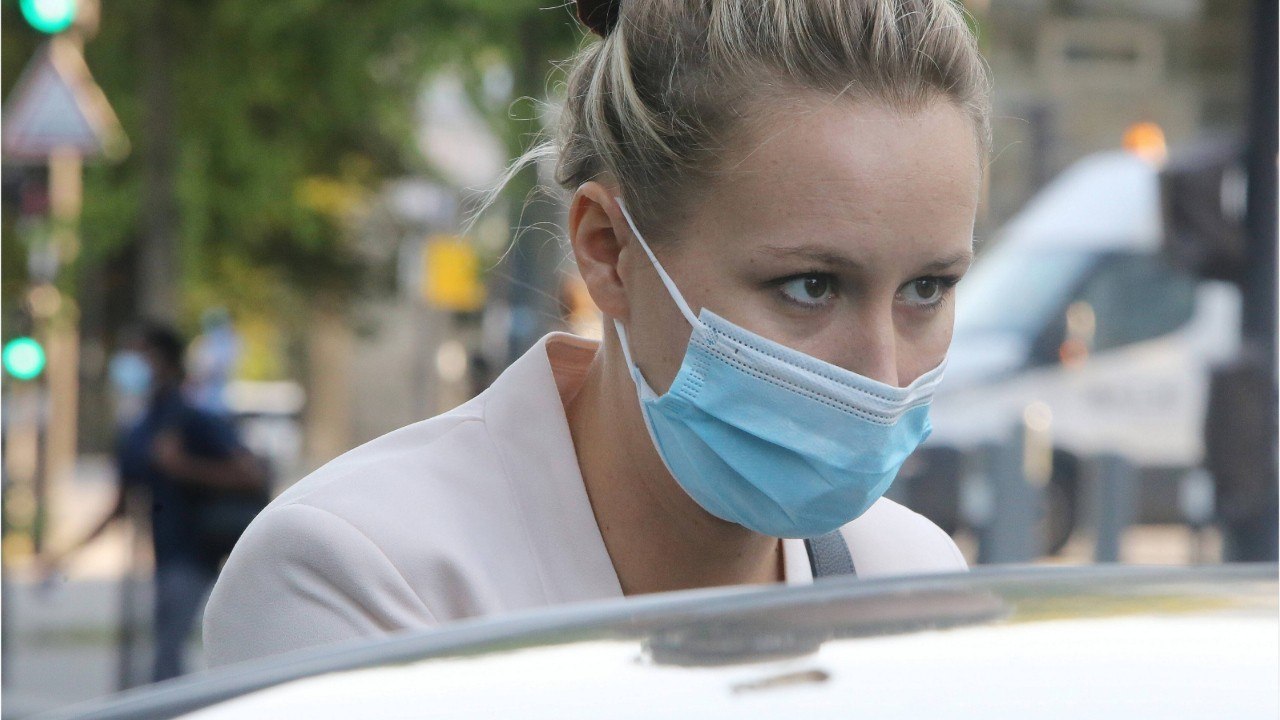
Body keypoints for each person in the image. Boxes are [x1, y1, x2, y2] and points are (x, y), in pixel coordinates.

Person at [204, 0, 990, 667]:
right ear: (608, 252)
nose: (883, 374)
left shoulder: (910, 581)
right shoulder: (360, 576)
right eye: (810, 286)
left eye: (928, 289)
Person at [42, 323, 266, 681]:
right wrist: (66, 554)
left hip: (197, 552)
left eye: (140, 353)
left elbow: (249, 474)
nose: (131, 363)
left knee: (172, 657)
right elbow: (120, 503)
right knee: (162, 655)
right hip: (167, 554)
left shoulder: (192, 418)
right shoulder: (140, 426)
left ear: (163, 360)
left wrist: (184, 467)